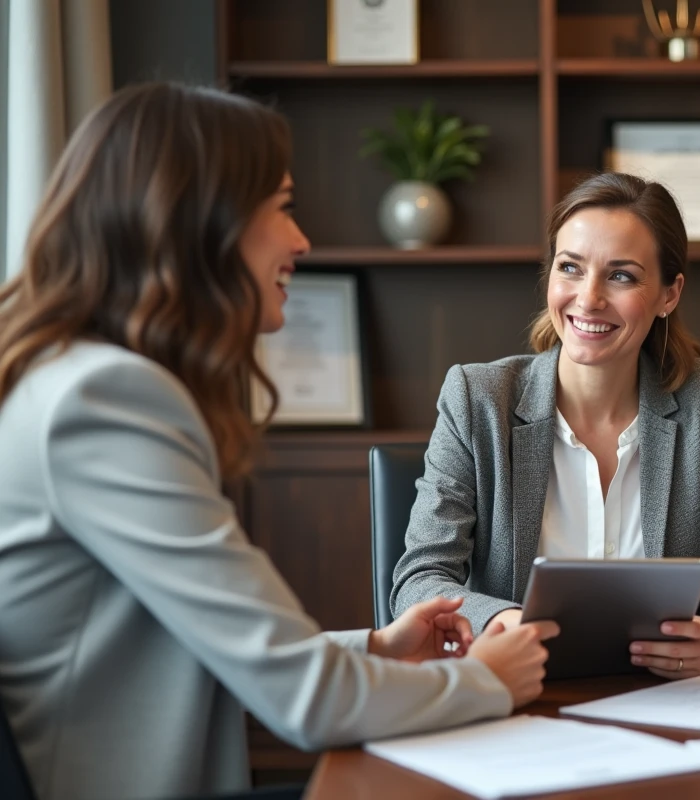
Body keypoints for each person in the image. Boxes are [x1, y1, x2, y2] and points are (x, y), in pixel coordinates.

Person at [0, 82, 559, 800]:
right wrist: (484, 681)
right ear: (205, 221)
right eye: (284, 208)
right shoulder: (105, 401)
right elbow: (308, 701)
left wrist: (378, 648)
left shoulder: (71, 378)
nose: (301, 241)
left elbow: (203, 642)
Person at [390, 171, 700, 680]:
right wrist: (504, 622)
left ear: (669, 293)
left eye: (621, 275)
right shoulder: (478, 399)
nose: (589, 298)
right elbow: (419, 581)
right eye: (570, 268)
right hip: (519, 698)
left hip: (667, 701)